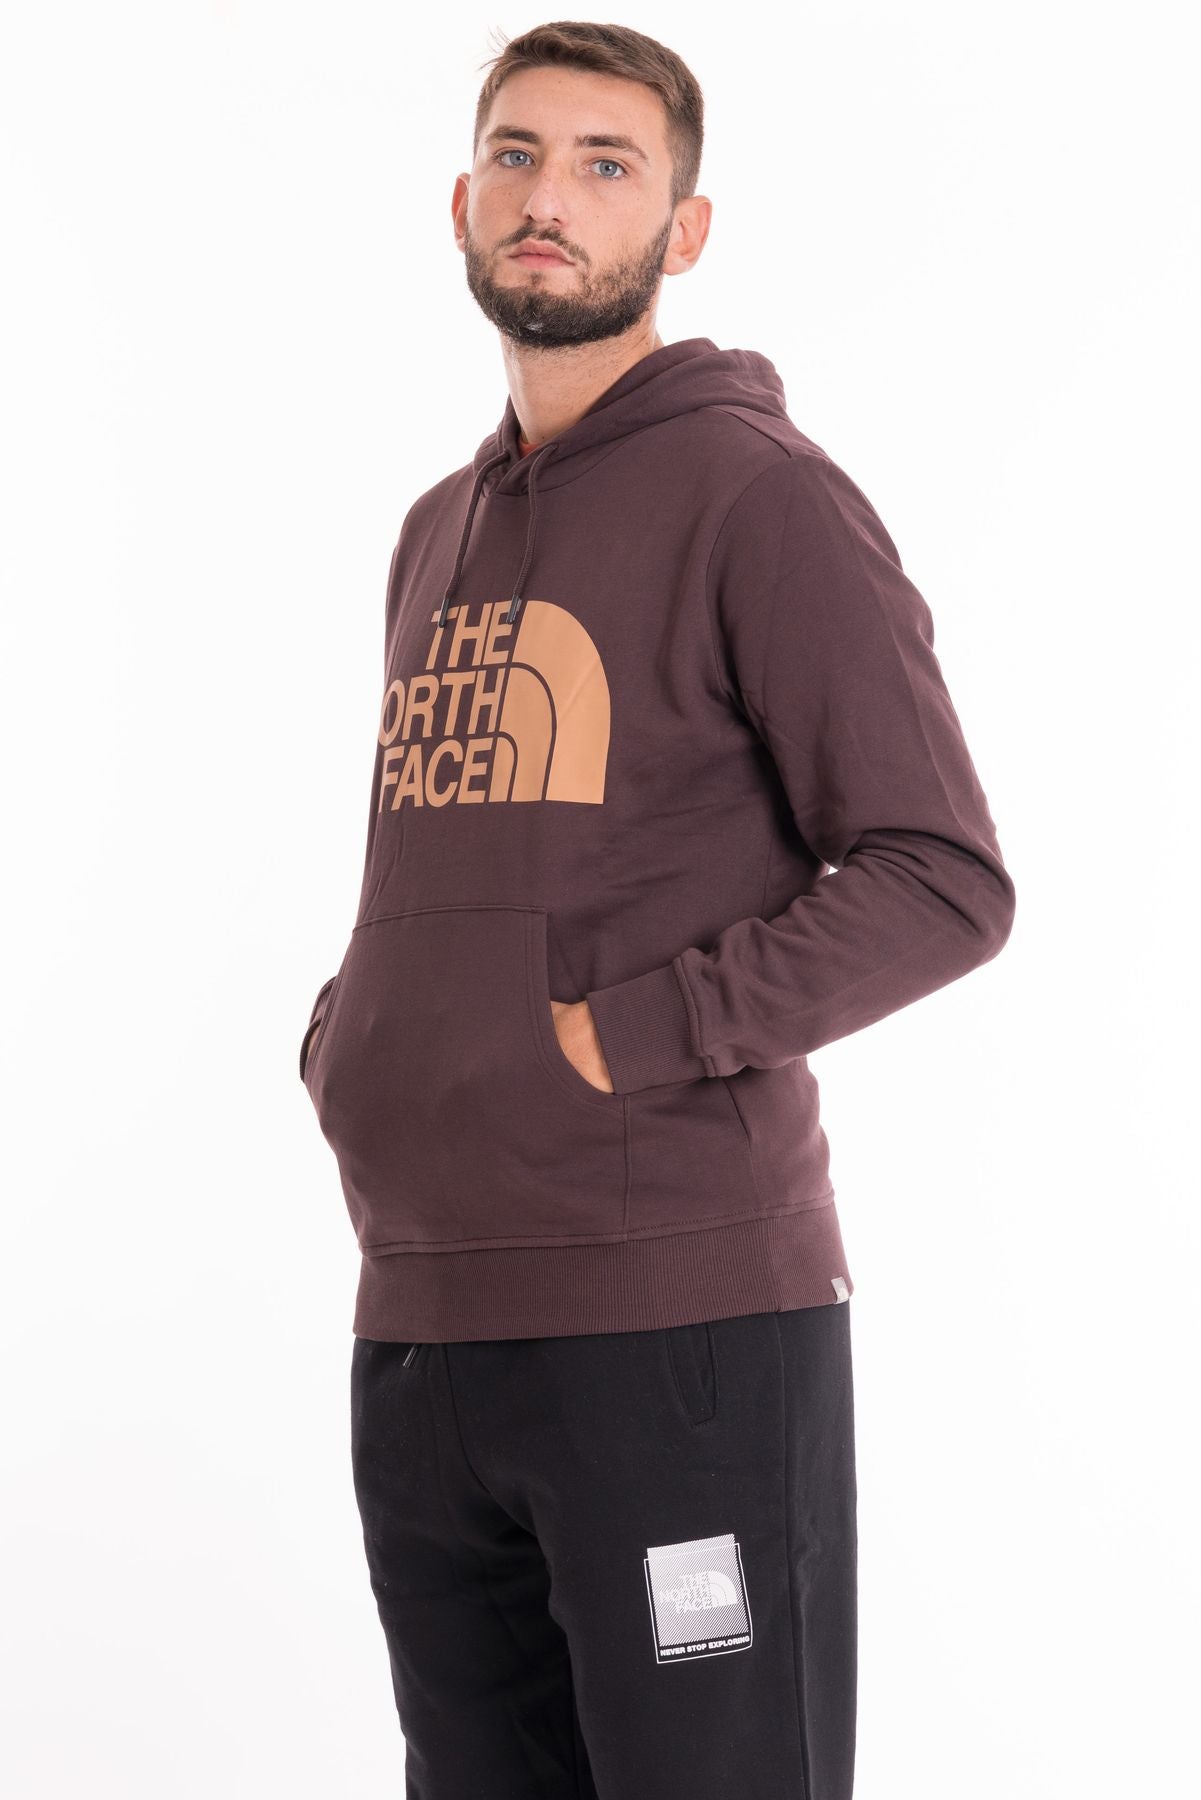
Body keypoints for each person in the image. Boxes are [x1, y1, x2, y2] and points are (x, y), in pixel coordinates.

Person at [299, 21, 1017, 1798]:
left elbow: (941, 875)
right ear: (462, 200)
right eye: (518, 154)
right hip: (422, 1316)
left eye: (606, 165)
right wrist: (352, 1042)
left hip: (672, 1325)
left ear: (682, 231)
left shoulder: (758, 498)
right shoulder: (434, 530)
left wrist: (627, 1035)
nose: (550, 197)